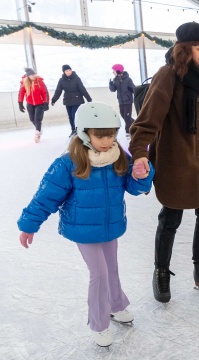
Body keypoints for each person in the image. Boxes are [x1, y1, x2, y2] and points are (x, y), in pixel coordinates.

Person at [17, 102, 154, 347]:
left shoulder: (119, 156)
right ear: (84, 133)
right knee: (99, 273)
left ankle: (116, 305)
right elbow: (46, 196)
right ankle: (98, 323)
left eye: (111, 134)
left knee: (111, 268)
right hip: (82, 227)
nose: (106, 140)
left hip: (110, 226)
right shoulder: (69, 162)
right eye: (100, 135)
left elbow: (134, 189)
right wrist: (29, 224)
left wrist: (141, 176)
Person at [128, 22, 199, 303]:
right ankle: (161, 271)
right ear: (184, 48)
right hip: (175, 159)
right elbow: (147, 120)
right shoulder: (167, 76)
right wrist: (139, 153)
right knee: (171, 217)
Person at [51, 64, 93, 137]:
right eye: (67, 71)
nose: (69, 72)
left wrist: (88, 98)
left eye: (69, 70)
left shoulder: (76, 78)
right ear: (64, 72)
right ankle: (73, 130)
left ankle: (78, 130)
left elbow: (82, 89)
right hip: (68, 101)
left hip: (77, 100)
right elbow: (58, 91)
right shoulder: (61, 80)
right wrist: (54, 99)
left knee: (74, 115)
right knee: (70, 116)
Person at [18, 67, 49, 143]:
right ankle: (39, 129)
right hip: (30, 104)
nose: (34, 76)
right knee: (32, 119)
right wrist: (20, 103)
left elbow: (45, 92)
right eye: (32, 75)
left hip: (40, 104)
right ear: (28, 76)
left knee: (37, 119)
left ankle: (37, 134)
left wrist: (46, 102)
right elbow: (21, 93)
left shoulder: (39, 81)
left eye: (34, 74)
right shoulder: (24, 82)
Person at [108, 64, 136, 139]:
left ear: (118, 71)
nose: (112, 72)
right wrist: (110, 84)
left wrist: (135, 96)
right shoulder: (115, 79)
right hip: (121, 101)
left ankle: (128, 132)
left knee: (127, 117)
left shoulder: (128, 79)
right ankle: (136, 123)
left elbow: (134, 88)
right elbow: (113, 90)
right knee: (123, 115)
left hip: (128, 101)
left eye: (113, 70)